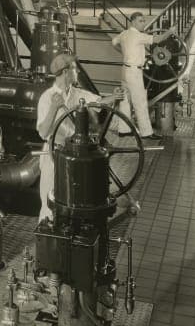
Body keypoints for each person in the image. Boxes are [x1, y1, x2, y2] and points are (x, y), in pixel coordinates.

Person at [36, 52, 125, 223]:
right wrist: (54, 108)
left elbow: (98, 103)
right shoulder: (47, 98)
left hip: (76, 156)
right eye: (75, 69)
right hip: (54, 155)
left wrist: (114, 96)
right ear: (66, 72)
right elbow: (43, 132)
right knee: (49, 202)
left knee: (74, 201)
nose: (78, 73)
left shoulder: (77, 94)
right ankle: (46, 232)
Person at [111, 12, 177, 141]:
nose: (144, 23)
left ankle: (123, 130)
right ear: (133, 22)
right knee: (140, 102)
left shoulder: (124, 34)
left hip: (125, 69)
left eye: (144, 20)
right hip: (134, 72)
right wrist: (170, 31)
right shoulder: (138, 36)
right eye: (141, 21)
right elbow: (158, 39)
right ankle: (146, 133)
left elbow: (113, 42)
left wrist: (124, 53)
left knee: (124, 100)